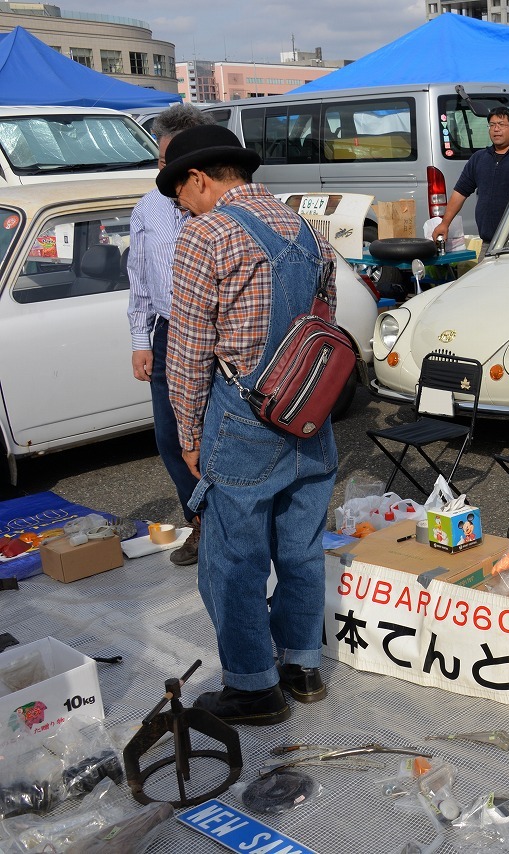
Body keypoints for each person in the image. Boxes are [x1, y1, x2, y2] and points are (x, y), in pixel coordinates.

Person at [160, 125, 339, 725]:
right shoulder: (308, 228)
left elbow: (187, 352)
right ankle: (303, 666)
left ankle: (253, 686)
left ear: (200, 179)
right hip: (309, 415)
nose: (180, 206)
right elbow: (323, 323)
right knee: (302, 548)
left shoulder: (204, 236)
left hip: (242, 422)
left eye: (178, 192)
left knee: (232, 560)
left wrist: (187, 436)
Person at [127, 104, 213, 567]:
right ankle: (200, 521)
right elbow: (138, 276)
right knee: (170, 437)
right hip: (168, 333)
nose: (165, 173)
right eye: (160, 162)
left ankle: (234, 526)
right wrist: (141, 339)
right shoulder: (149, 207)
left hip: (219, 339)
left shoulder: (220, 210)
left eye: (172, 163)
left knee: (215, 436)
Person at [432, 107, 509, 246]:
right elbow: (460, 192)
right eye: (492, 125)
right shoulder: (479, 158)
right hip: (488, 242)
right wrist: (445, 223)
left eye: (501, 124)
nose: (496, 129)